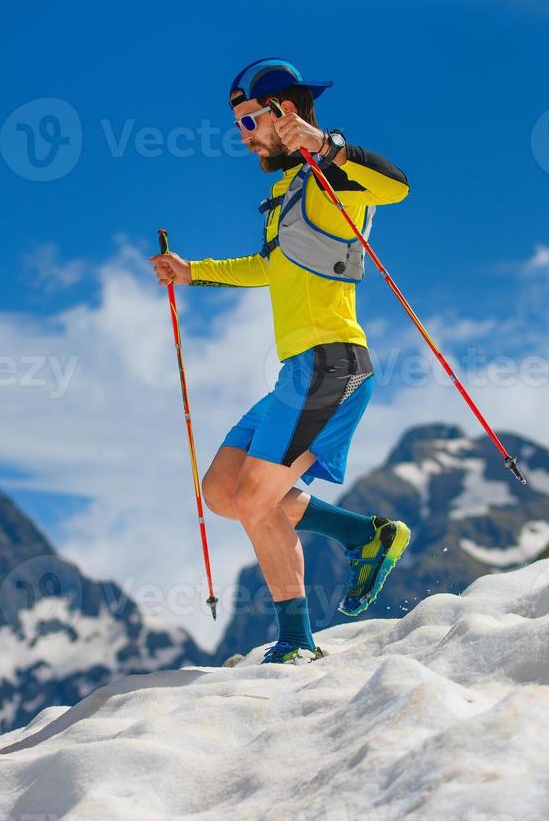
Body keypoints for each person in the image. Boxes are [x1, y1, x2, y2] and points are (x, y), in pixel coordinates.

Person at [149, 58, 413, 665]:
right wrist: (194, 273)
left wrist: (330, 147)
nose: (243, 136)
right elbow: (271, 268)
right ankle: (362, 535)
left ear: (282, 112)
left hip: (334, 365)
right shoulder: (285, 195)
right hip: (298, 371)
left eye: (248, 122)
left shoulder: (328, 179)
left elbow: (397, 187)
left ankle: (297, 641)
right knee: (222, 490)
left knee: (254, 497)